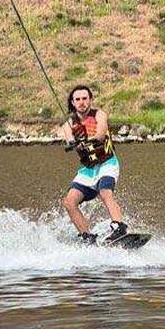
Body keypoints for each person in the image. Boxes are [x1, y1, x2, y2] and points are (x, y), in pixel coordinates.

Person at [61, 85, 128, 245]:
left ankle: (119, 226)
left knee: (104, 191)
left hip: (107, 163)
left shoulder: (99, 114)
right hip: (88, 170)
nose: (81, 102)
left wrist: (88, 139)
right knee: (69, 202)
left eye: (85, 98)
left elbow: (100, 133)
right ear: (73, 102)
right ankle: (87, 236)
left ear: (90, 100)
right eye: (78, 99)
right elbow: (69, 139)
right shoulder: (68, 124)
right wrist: (75, 143)